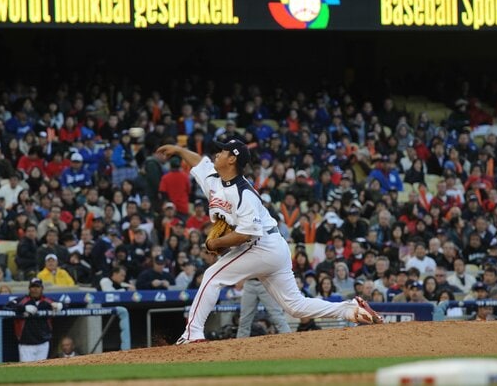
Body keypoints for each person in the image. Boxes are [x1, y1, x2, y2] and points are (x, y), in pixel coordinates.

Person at [158, 138, 382, 344]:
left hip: (262, 245)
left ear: (232, 158)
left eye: (223, 151)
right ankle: (350, 310)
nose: (217, 153)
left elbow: (246, 234)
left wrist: (214, 244)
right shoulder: (213, 180)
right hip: (270, 247)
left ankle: (192, 333)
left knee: (212, 275)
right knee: (295, 306)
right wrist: (178, 150)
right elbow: (199, 162)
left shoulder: (244, 193)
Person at [6, 278, 63, 362]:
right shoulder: (23, 301)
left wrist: (59, 305)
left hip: (43, 343)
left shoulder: (47, 301)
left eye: (37, 287)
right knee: (27, 371)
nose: (35, 289)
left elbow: (65, 304)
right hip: (26, 344)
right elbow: (7, 306)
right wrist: (23, 308)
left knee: (41, 371)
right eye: (33, 287)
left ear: (42, 288)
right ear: (29, 288)